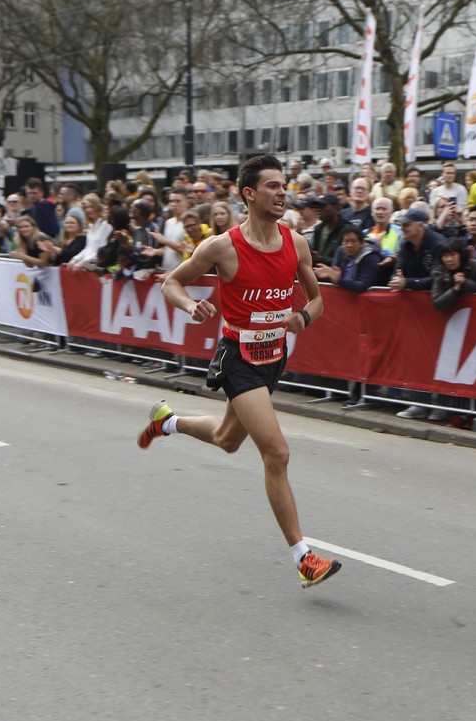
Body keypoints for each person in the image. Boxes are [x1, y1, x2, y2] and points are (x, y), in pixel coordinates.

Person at [139, 154, 342, 588]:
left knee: (227, 439)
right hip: (239, 358)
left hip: (274, 358)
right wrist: (192, 306)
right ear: (249, 194)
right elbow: (171, 282)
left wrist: (303, 318)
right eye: (272, 186)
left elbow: (317, 300)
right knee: (277, 453)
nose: (282, 192)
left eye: (284, 185)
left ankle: (167, 422)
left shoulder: (296, 243)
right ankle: (303, 558)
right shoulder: (222, 247)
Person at [314, 225, 380, 292]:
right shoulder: (340, 251)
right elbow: (335, 275)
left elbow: (363, 286)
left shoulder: (371, 257)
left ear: (362, 243)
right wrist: (328, 275)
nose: (349, 245)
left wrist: (340, 280)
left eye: (353, 241)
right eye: (345, 241)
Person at [431, 238, 476, 311]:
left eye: (453, 254)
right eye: (445, 256)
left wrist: (465, 282)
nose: (449, 259)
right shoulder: (439, 272)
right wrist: (455, 290)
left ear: (461, 255)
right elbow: (438, 303)